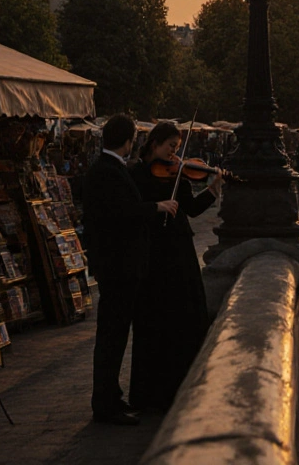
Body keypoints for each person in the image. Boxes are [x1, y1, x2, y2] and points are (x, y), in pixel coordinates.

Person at [83, 114, 177, 426]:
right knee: (113, 336)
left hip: (116, 266)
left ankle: (111, 396)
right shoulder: (109, 172)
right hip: (119, 267)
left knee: (114, 335)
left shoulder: (107, 169)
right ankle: (106, 403)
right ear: (128, 140)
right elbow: (123, 214)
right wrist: (157, 207)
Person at [127, 122, 221, 412]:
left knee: (186, 316)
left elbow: (191, 209)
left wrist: (214, 188)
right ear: (154, 143)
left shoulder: (179, 175)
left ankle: (183, 386)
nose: (174, 156)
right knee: (155, 320)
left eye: (177, 149)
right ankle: (152, 394)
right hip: (154, 253)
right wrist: (158, 205)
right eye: (170, 147)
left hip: (179, 251)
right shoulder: (136, 173)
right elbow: (134, 209)